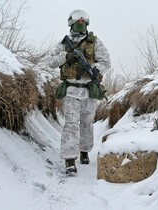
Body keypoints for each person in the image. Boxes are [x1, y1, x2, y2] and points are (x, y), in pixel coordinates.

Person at [48, 9, 111, 174]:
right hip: (71, 90)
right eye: (78, 21)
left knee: (86, 123)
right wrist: (66, 57)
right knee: (71, 125)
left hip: (89, 91)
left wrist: (96, 70)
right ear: (71, 23)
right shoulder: (64, 43)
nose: (81, 23)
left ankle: (84, 151)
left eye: (84, 21)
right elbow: (51, 62)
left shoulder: (94, 42)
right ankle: (69, 159)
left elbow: (106, 61)